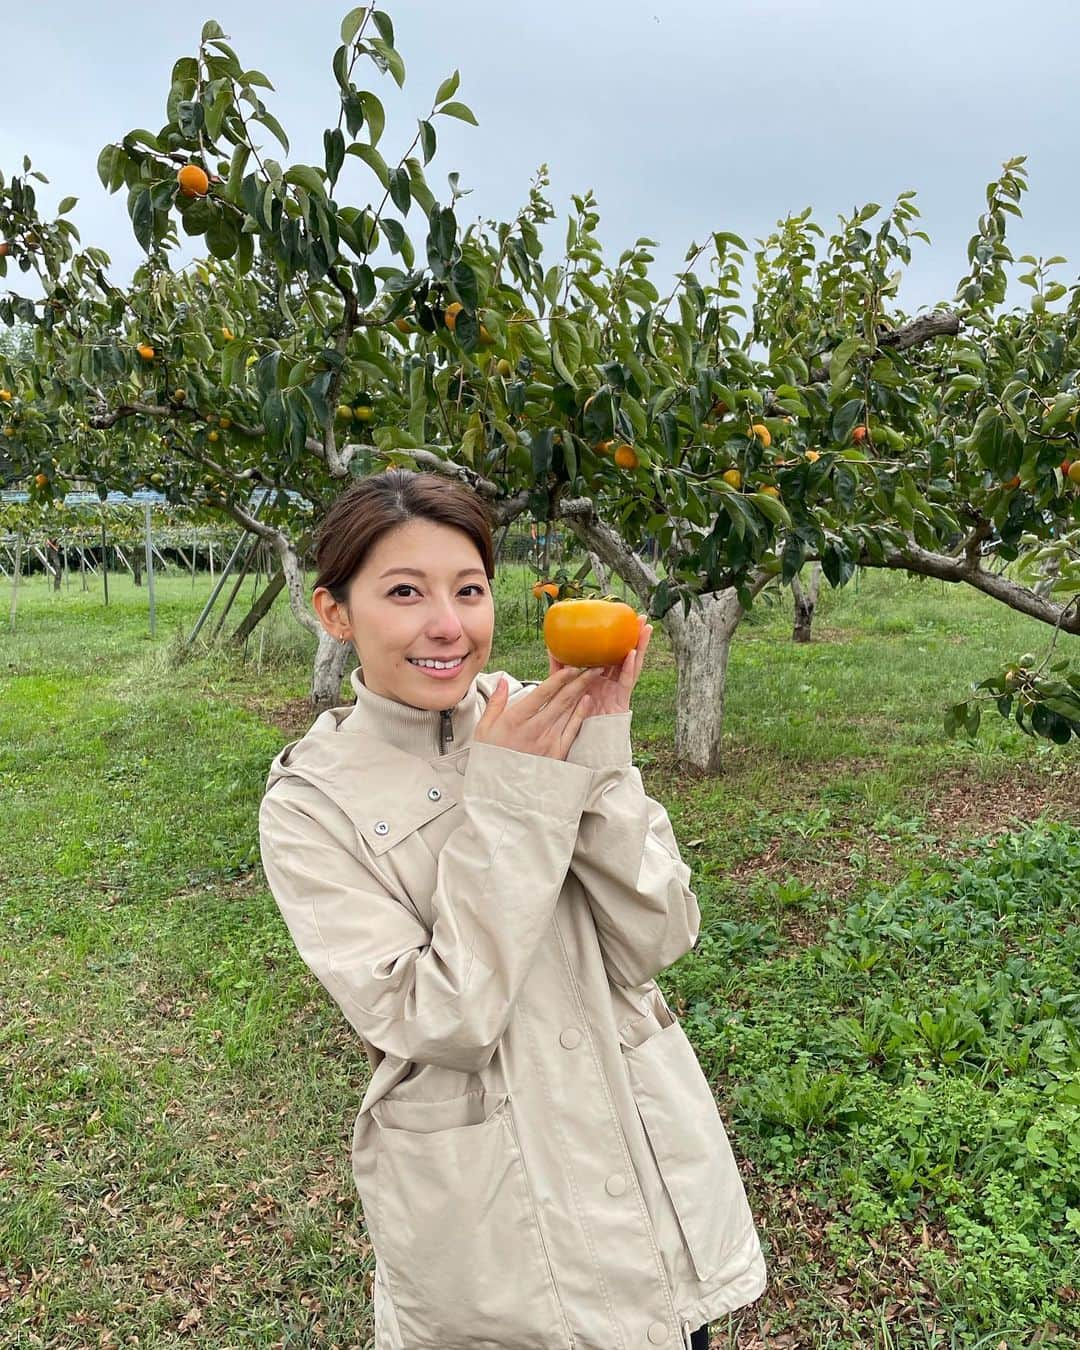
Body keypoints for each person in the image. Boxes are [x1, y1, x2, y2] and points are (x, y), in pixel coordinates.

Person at [258, 470, 766, 1350]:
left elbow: (659, 935)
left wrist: (601, 741)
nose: (448, 626)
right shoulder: (313, 802)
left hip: (631, 1158)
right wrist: (514, 796)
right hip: (499, 1216)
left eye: (470, 590)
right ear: (334, 613)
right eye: (404, 593)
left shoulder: (534, 709)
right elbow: (439, 1016)